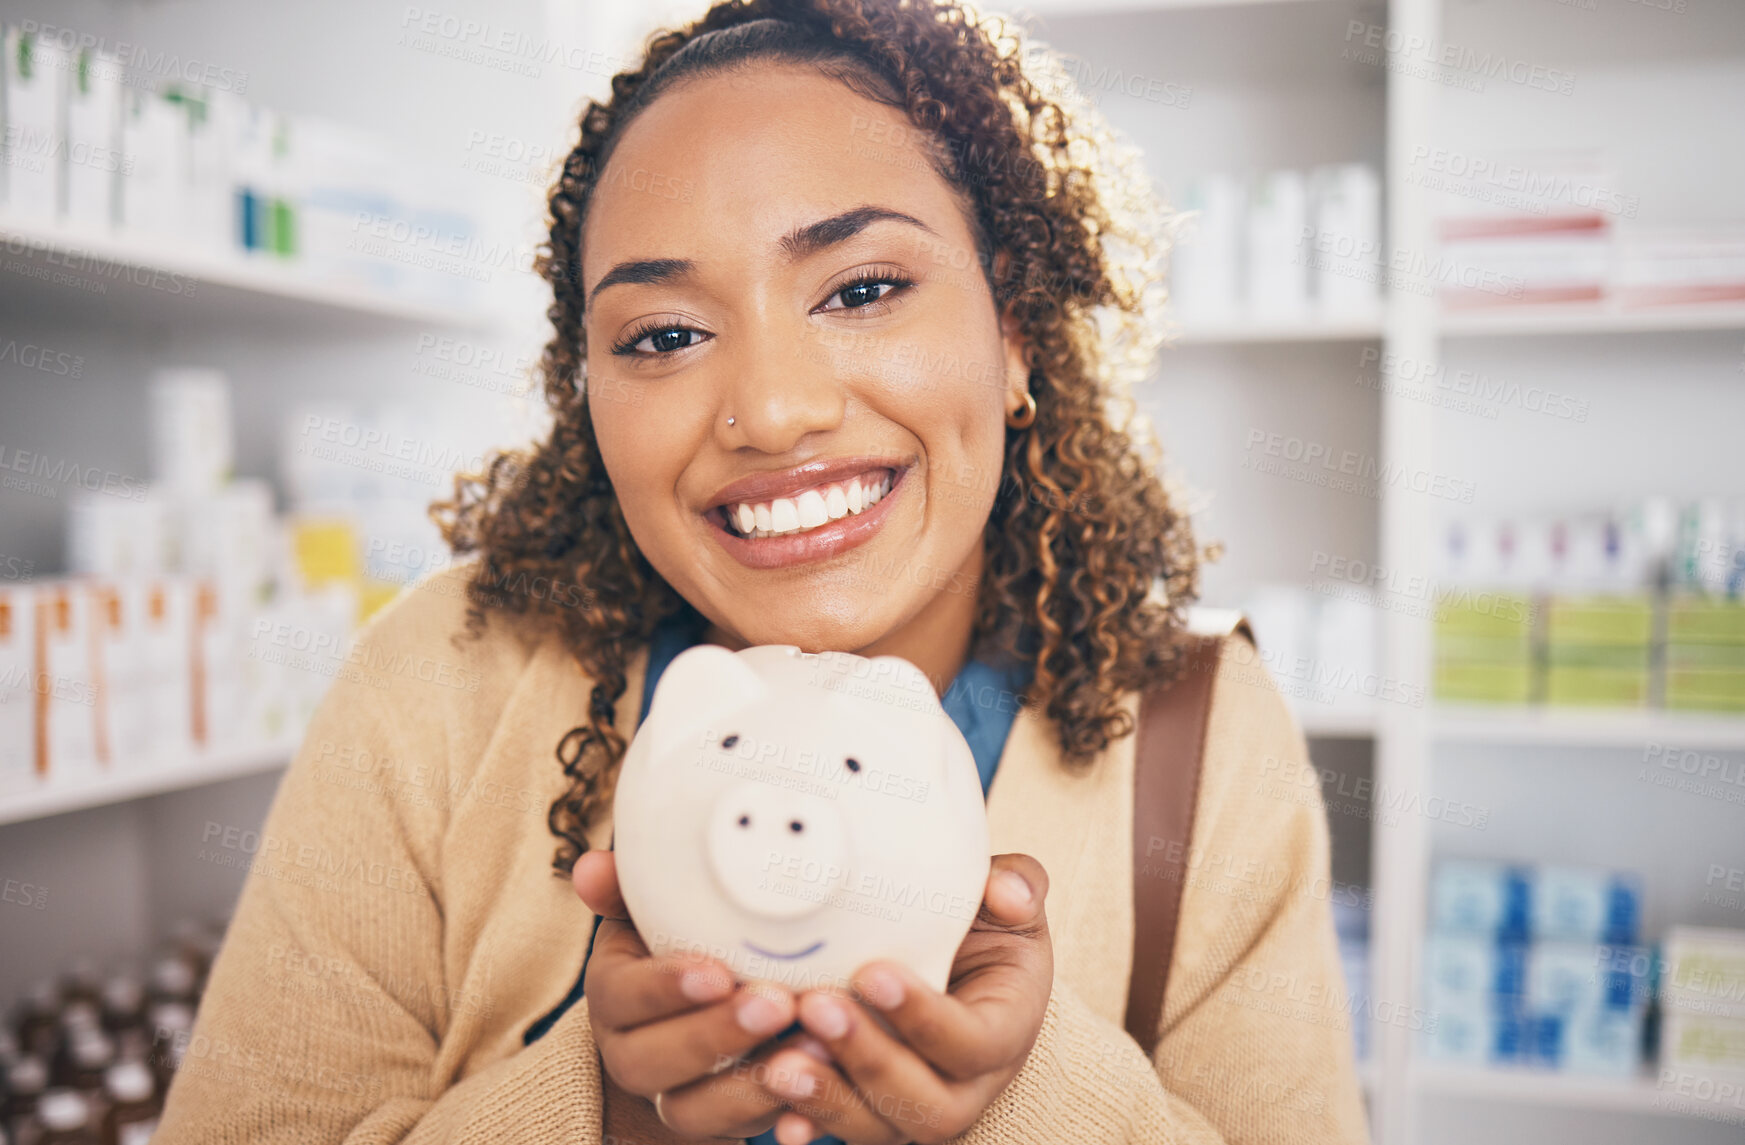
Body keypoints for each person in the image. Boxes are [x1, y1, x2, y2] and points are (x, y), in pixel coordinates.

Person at [158, 2, 1367, 1142]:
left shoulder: (1198, 735)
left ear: (1011, 329)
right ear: (591, 394)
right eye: (666, 335)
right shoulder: (440, 680)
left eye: (862, 288)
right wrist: (606, 1102)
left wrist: (1026, 1084)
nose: (775, 410)